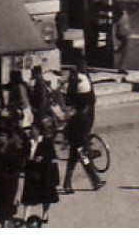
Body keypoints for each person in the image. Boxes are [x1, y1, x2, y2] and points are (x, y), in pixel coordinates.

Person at [61, 60, 103, 193]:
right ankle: (94, 180)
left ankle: (69, 183)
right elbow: (71, 100)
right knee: (81, 152)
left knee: (75, 155)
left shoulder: (82, 80)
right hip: (79, 124)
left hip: (81, 122)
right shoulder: (77, 82)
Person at [20, 119, 60, 225]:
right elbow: (23, 155)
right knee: (28, 195)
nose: (31, 132)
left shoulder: (46, 141)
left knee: (46, 195)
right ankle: (25, 217)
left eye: (33, 130)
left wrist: (43, 158)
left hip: (44, 172)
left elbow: (53, 156)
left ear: (38, 131)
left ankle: (45, 215)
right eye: (31, 130)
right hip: (31, 170)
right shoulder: (28, 142)